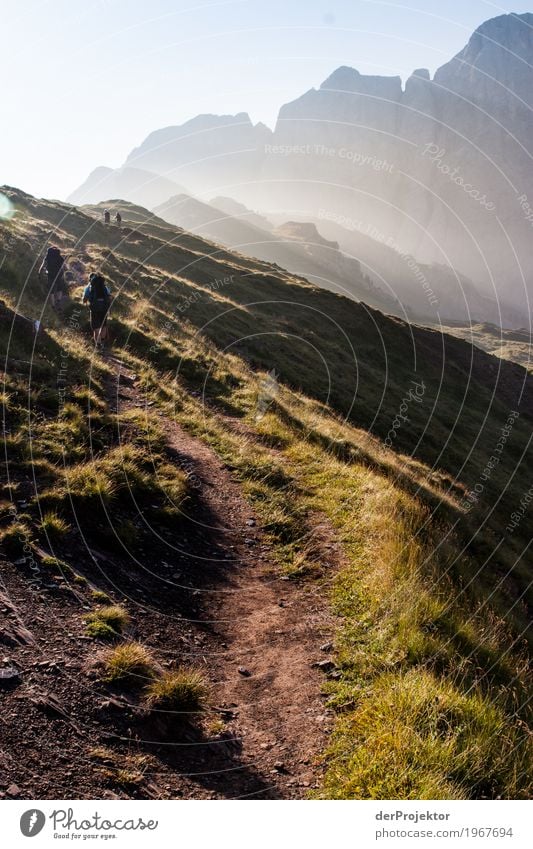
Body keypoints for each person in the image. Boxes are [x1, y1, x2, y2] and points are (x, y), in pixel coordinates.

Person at [82, 273, 111, 348]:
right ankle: (102, 343)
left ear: (90, 280)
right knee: (103, 325)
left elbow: (84, 299)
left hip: (94, 308)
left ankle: (98, 345)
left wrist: (86, 302)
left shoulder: (89, 287)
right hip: (104, 308)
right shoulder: (104, 287)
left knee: (96, 327)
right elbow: (109, 297)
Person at [38, 246, 67, 310]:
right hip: (59, 275)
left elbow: (43, 266)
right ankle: (58, 302)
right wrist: (62, 275)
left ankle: (53, 306)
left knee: (51, 291)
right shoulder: (60, 257)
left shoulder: (47, 257)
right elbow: (63, 267)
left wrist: (39, 273)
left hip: (50, 275)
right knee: (60, 289)